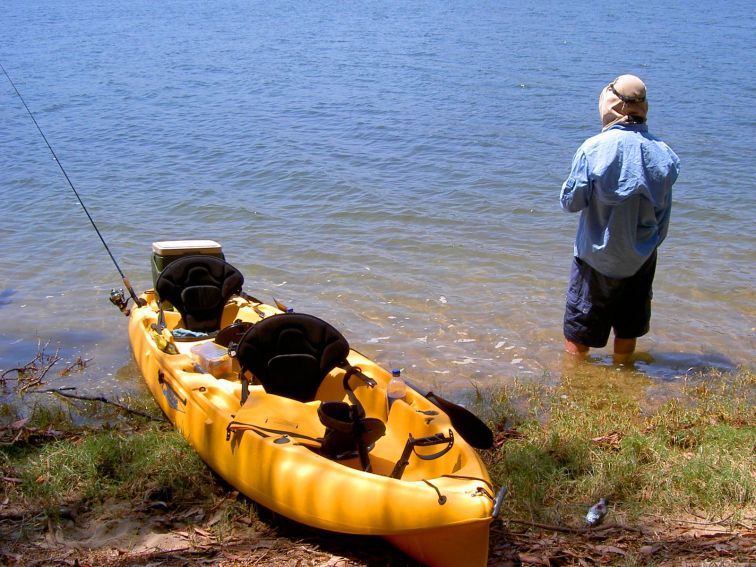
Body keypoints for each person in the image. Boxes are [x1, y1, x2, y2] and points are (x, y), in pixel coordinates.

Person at [560, 74, 680, 362]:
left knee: (579, 330)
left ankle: (576, 383)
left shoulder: (593, 148)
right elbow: (663, 220)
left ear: (611, 105)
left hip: (594, 258)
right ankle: (623, 376)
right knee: (628, 328)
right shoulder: (665, 154)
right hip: (641, 258)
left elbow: (571, 203)